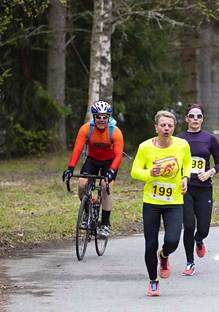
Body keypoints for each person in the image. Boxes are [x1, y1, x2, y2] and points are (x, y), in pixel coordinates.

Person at [130, 110, 191, 296]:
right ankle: (153, 280)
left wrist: (186, 178)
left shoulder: (182, 145)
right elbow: (135, 171)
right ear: (156, 127)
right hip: (152, 201)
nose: (166, 128)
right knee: (150, 244)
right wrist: (150, 174)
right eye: (163, 125)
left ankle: (164, 256)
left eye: (170, 125)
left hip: (174, 200)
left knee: (172, 241)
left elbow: (187, 163)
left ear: (174, 128)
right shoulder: (145, 147)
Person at [62, 100, 124, 238]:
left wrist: (111, 172)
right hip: (93, 160)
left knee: (105, 186)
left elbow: (119, 156)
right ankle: (87, 212)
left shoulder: (115, 132)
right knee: (82, 184)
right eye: (98, 117)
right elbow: (77, 149)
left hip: (110, 162)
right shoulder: (86, 129)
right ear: (94, 117)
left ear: (108, 117)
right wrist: (70, 168)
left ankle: (105, 224)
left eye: (104, 117)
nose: (101, 120)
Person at [177, 104, 219, 276]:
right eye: (192, 116)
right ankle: (190, 263)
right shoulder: (179, 139)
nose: (195, 119)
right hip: (186, 189)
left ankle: (199, 239)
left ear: (202, 119)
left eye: (198, 116)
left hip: (204, 188)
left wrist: (210, 172)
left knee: (203, 228)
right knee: (189, 225)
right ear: (186, 119)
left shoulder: (210, 139)